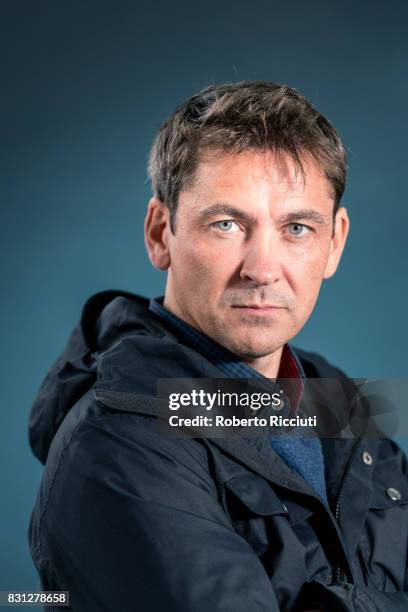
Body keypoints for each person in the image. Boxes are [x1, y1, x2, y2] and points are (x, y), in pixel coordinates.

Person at [28, 81, 408, 611]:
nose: (262, 269)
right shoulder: (116, 448)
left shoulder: (341, 406)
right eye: (227, 224)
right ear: (162, 232)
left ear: (334, 244)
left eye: (296, 227)